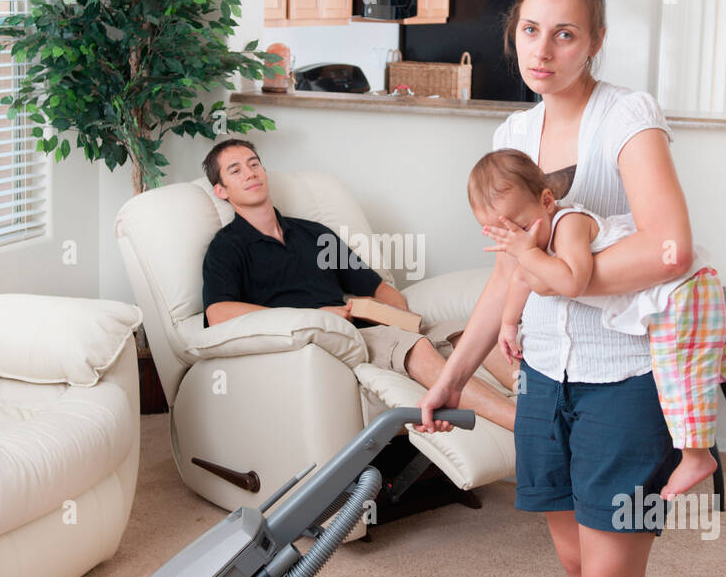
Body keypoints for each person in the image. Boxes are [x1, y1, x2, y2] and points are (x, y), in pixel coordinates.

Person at [415, 0, 715, 577]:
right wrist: (455, 372)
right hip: (545, 383)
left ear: (597, 38)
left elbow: (670, 248)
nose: (545, 49)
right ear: (515, 33)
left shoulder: (627, 117)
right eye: (531, 30)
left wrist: (567, 279)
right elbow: (511, 271)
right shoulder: (515, 129)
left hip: (628, 385)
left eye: (567, 32)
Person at [473, 148, 726, 498]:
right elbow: (522, 278)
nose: (517, 238)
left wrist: (525, 252)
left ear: (547, 200)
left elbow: (572, 282)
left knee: (678, 370)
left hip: (675, 293)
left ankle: (696, 456)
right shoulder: (532, 243)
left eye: (521, 227)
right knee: (725, 345)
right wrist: (509, 324)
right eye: (504, 234)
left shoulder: (568, 224)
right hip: (686, 289)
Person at [200, 137, 516, 432]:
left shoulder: (314, 233)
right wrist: (316, 317)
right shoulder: (227, 247)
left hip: (365, 325)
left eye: (254, 164)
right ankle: (524, 425)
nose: (250, 173)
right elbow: (218, 312)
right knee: (415, 347)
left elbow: (377, 287)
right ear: (221, 191)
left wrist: (396, 313)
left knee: (464, 331)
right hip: (323, 342)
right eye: (235, 170)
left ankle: (540, 403)